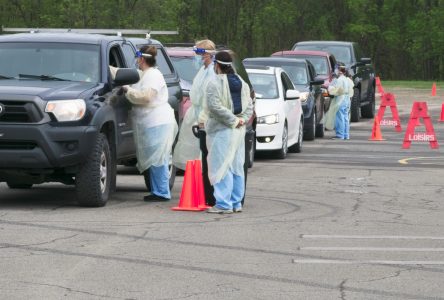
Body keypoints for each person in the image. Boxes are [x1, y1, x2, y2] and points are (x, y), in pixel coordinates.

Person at [110, 46, 177, 201]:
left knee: (159, 159)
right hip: (149, 123)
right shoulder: (144, 74)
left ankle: (162, 192)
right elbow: (119, 72)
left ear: (141, 58)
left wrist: (128, 90)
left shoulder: (154, 75)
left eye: (137, 58)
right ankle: (157, 191)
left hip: (158, 122)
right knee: (153, 159)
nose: (136, 61)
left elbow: (146, 97)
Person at [204, 51, 253, 214]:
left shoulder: (214, 83)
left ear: (216, 65)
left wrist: (233, 121)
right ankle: (236, 202)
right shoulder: (241, 82)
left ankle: (224, 203)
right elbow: (249, 106)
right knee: (236, 165)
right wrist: (242, 120)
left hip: (222, 131)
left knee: (221, 166)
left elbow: (215, 107)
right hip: (239, 131)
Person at [172, 39, 217, 171]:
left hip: (205, 116)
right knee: (196, 152)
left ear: (206, 54)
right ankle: (199, 182)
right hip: (196, 114)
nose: (196, 57)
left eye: (198, 53)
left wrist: (203, 118)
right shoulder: (203, 70)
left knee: (205, 151)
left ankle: (206, 185)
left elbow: (209, 98)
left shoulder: (212, 72)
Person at [325, 64, 353, 139]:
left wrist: (329, 88)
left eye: (337, 69)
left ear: (340, 71)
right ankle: (346, 135)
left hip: (341, 99)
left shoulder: (340, 80)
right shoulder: (347, 79)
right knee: (345, 117)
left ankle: (340, 135)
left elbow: (336, 91)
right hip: (347, 99)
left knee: (339, 117)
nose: (335, 71)